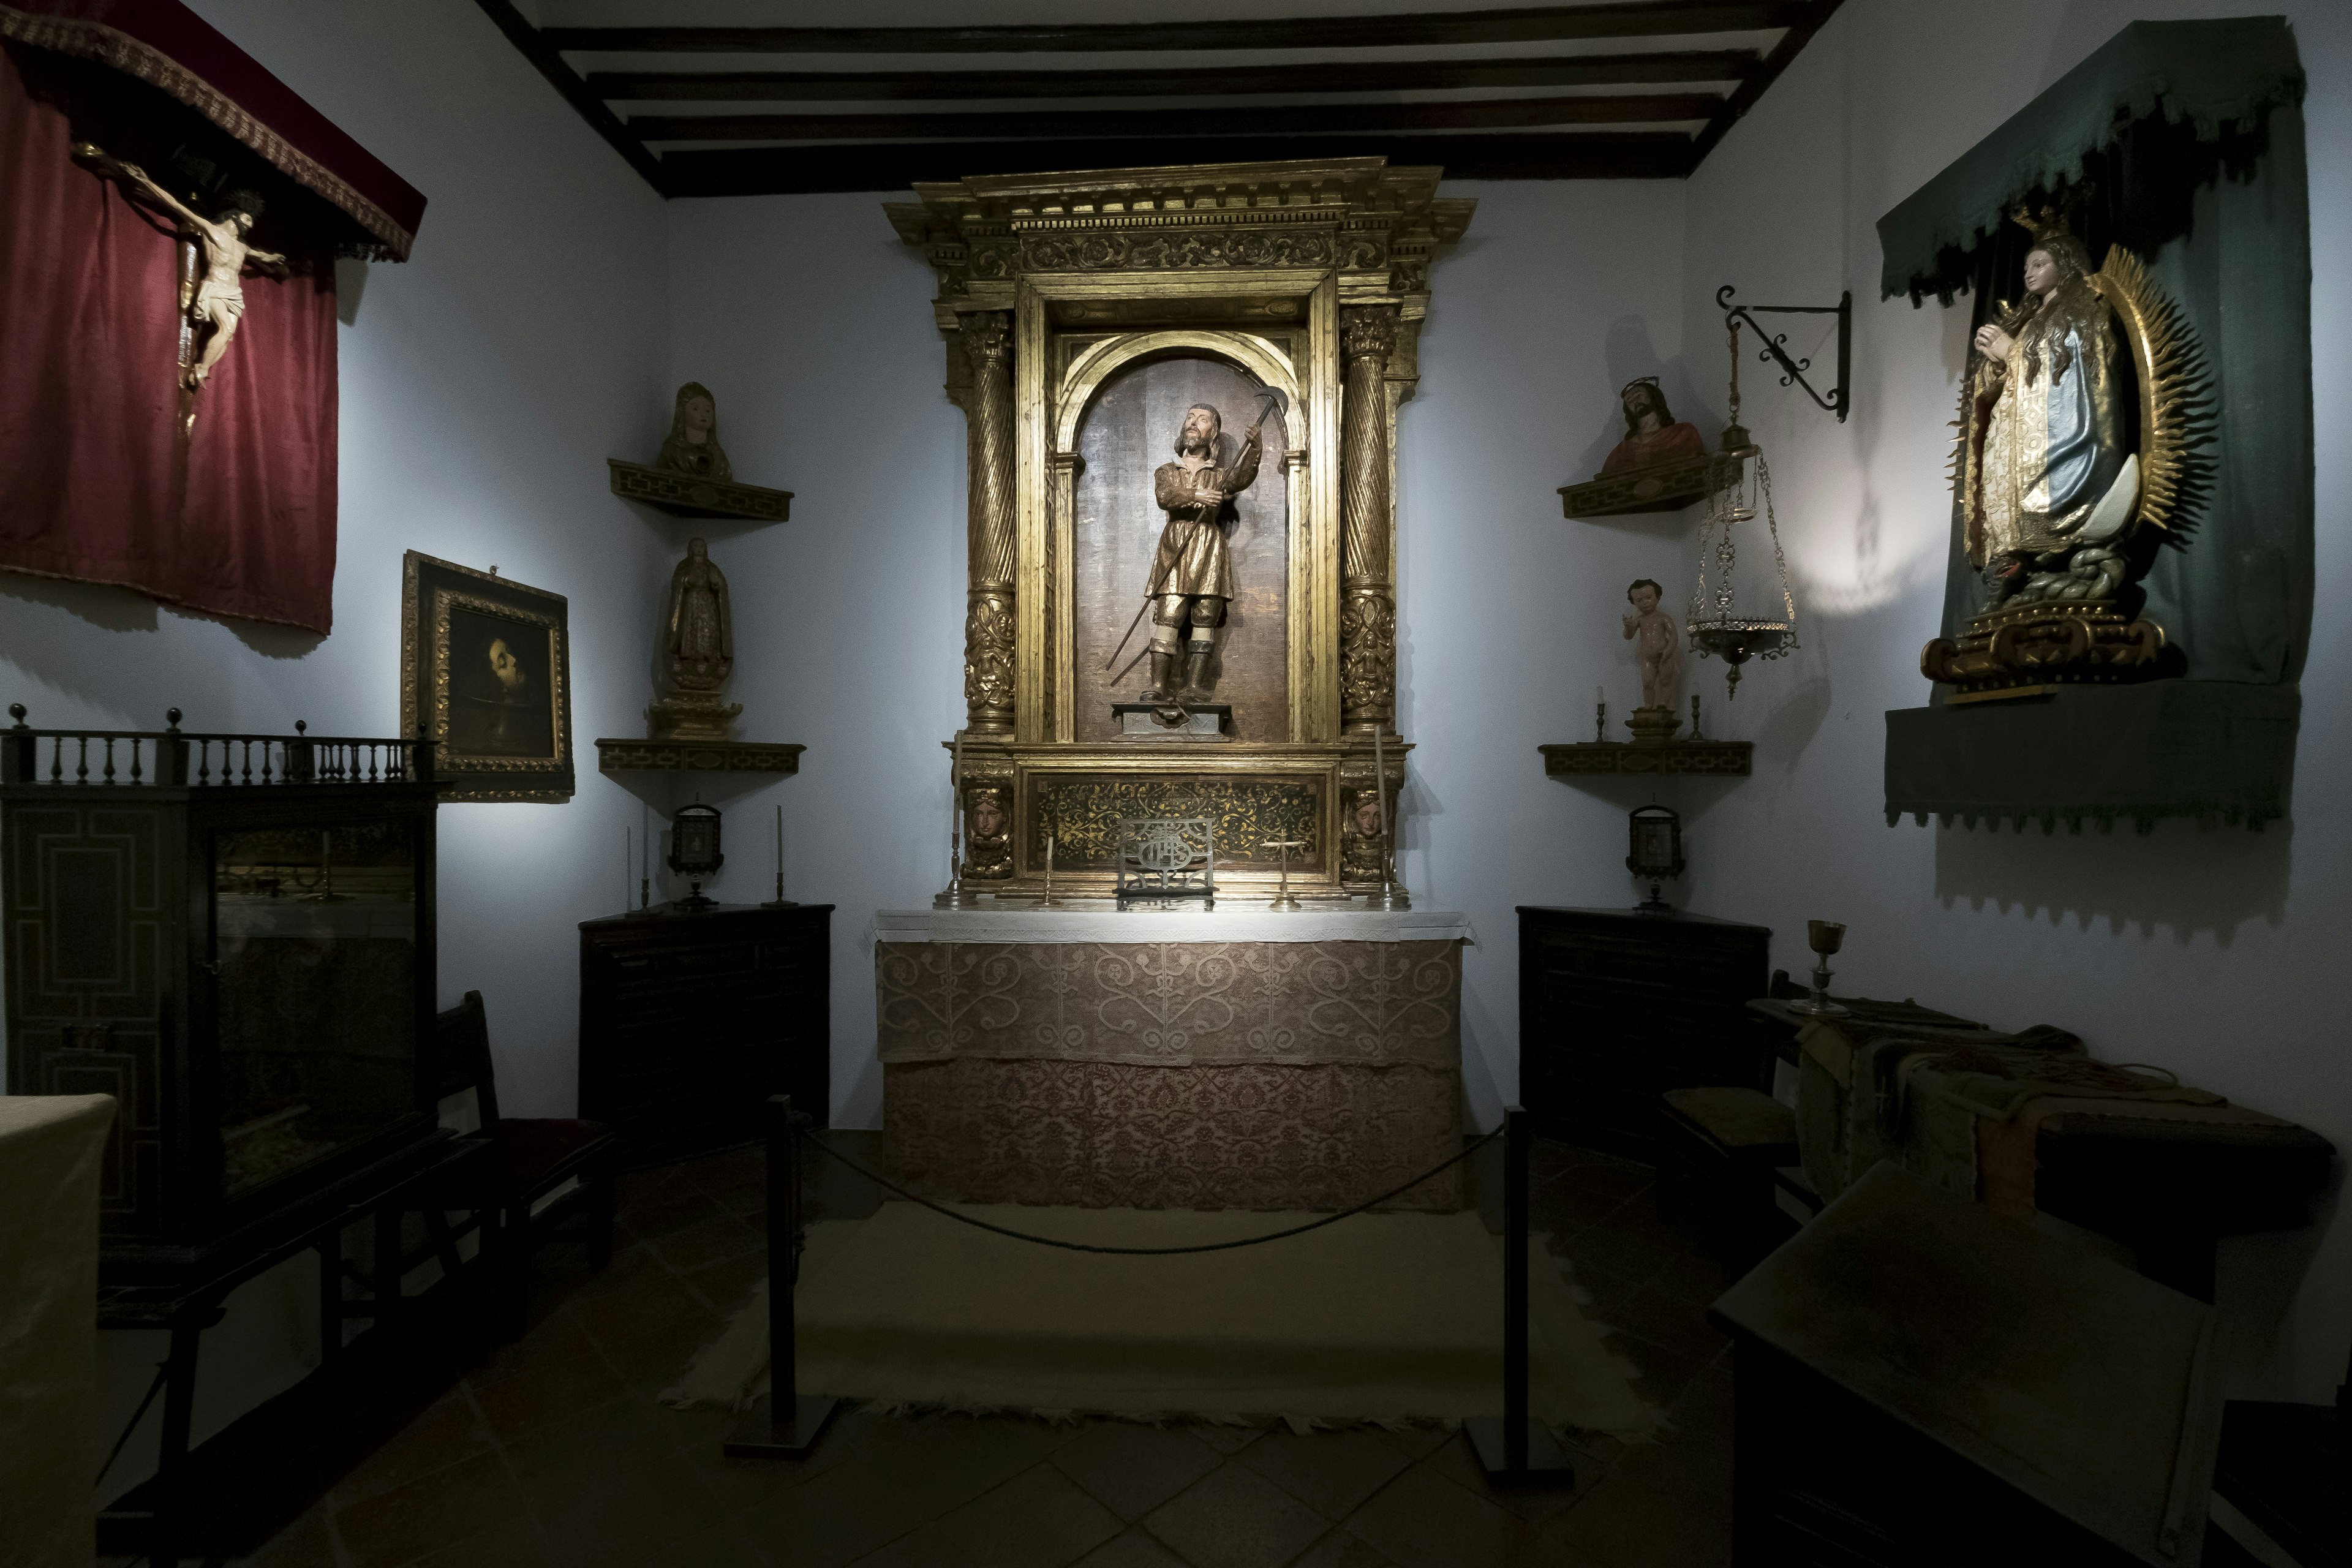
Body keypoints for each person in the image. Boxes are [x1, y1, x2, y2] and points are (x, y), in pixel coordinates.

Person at [1961, 215, 2132, 608]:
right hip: (2017, 443)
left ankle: (2051, 554)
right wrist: (1996, 363)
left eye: (2039, 264)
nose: (2029, 273)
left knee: (2046, 504)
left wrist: (2011, 352)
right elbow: (2008, 377)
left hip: (2061, 441)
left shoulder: (2081, 308)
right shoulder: (2029, 318)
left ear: (2066, 265)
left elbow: (2075, 371)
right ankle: (2011, 568)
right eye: (2025, 267)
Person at [72, 145, 287, 391]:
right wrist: (146, 182)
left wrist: (274, 260)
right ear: (235, 215)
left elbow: (262, 256)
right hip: (215, 287)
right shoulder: (211, 230)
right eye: (248, 219)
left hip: (234, 294)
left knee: (227, 336)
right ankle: (202, 368)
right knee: (225, 328)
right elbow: (176, 206)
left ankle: (203, 367)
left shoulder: (242, 248)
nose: (250, 225)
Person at [1144, 401, 1264, 700]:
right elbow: (1165, 496)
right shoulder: (1168, 470)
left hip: (1209, 546)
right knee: (1169, 613)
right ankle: (1158, 686)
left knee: (1206, 614)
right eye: (1190, 418)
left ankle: (1195, 687)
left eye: (1203, 419)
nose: (1193, 423)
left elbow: (1242, 479)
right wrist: (1196, 494)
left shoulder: (1221, 473)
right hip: (1176, 546)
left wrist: (1254, 450)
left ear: (1214, 432)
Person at [1600, 379, 1705, 474]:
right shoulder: (1621, 452)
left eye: (1638, 395)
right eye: (1630, 401)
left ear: (1653, 396)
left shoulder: (1683, 433)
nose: (1635, 401)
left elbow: (1698, 468)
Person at [1623, 578, 1683, 710]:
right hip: (1646, 657)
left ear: (1658, 597)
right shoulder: (1639, 619)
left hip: (1664, 655)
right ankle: (1648, 705)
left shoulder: (1664, 618)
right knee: (1647, 683)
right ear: (1634, 603)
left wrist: (1668, 650)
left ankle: (1662, 703)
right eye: (1639, 600)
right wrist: (1628, 627)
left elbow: (1674, 636)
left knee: (1665, 680)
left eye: (1648, 598)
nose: (1645, 602)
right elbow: (1629, 636)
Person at [656, 382, 733, 480]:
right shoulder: (672, 451)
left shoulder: (718, 455)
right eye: (696, 409)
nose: (703, 414)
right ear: (682, 412)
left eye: (708, 410)